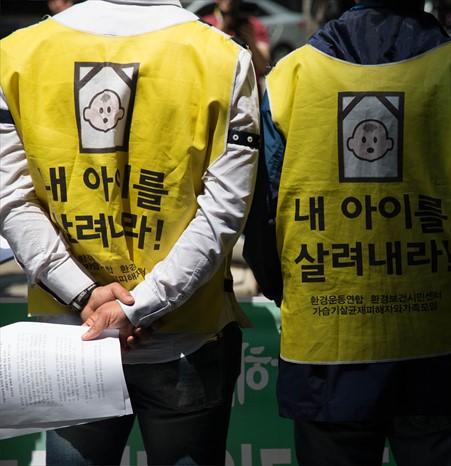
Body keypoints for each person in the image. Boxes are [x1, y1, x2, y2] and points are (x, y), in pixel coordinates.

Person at [243, 1, 451, 465]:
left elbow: (265, 215)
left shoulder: (292, 76)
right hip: (446, 346)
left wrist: (294, 291)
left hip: (327, 345)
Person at [0, 1, 259, 464]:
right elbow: (225, 212)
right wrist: (141, 305)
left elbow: (10, 199)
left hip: (74, 336)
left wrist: (83, 295)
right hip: (185, 337)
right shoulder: (222, 57)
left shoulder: (17, 53)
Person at [202, 0, 271, 81]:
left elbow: (265, 67)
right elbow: (203, 62)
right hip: (219, 84)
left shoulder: (254, 25)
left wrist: (251, 42)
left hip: (249, 87)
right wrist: (221, 30)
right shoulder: (206, 25)